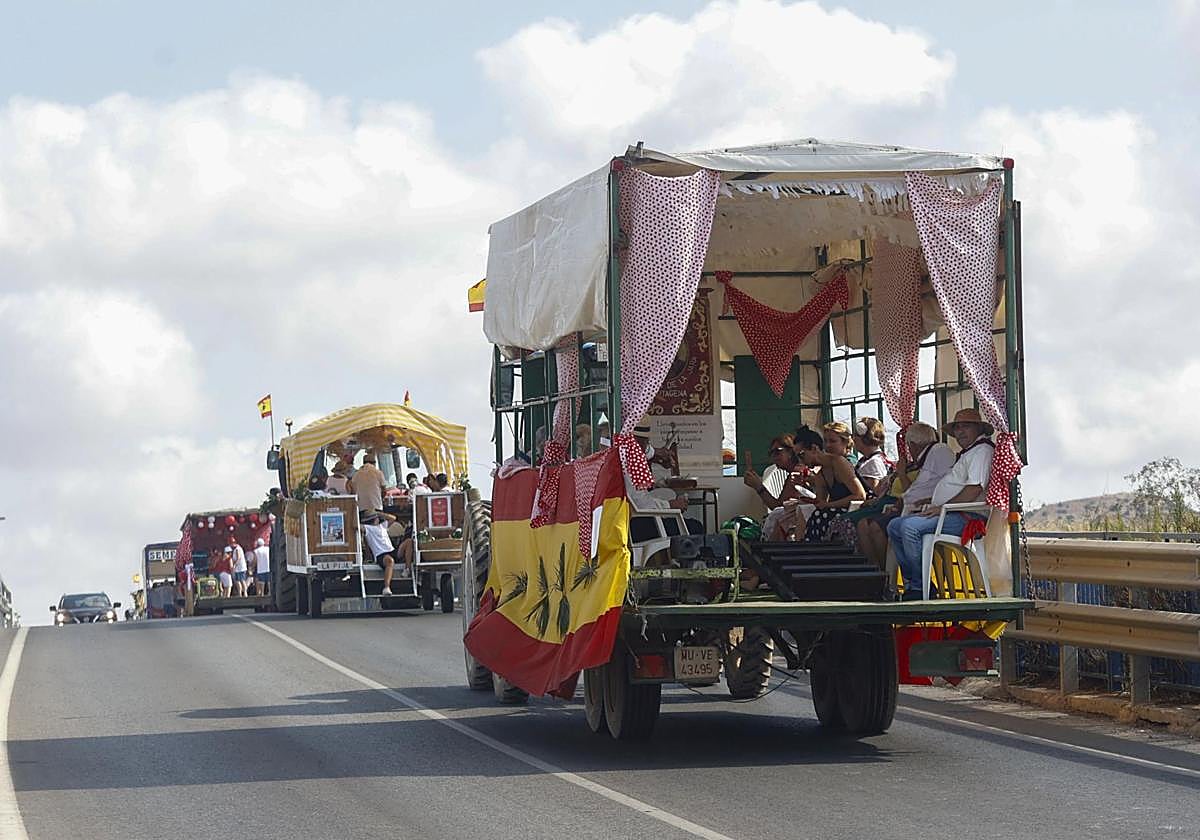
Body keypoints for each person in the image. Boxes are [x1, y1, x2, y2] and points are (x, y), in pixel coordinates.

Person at [887, 408, 995, 600]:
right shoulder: (968, 452)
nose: (960, 431)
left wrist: (941, 507)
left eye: (966, 426)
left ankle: (921, 588)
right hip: (951, 513)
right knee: (894, 526)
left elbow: (974, 489)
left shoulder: (982, 451)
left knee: (909, 528)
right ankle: (914, 582)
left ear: (978, 429)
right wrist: (932, 501)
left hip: (968, 517)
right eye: (958, 427)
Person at [854, 421, 956, 570]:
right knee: (864, 524)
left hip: (926, 508)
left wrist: (901, 477)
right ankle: (876, 570)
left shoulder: (936, 452)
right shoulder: (925, 458)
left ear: (913, 444)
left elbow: (921, 488)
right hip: (910, 504)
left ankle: (890, 575)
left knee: (879, 527)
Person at [627, 421, 701, 541]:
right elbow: (641, 504)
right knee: (695, 526)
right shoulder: (630, 464)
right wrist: (671, 505)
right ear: (637, 442)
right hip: (639, 526)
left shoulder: (630, 460)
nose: (647, 447)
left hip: (639, 521)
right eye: (646, 443)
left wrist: (657, 485)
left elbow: (639, 491)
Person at [796, 422, 866, 543]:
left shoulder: (839, 462)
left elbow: (860, 495)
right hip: (841, 509)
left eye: (801, 455)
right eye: (825, 441)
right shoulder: (820, 474)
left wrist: (828, 505)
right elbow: (821, 502)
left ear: (814, 449)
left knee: (819, 516)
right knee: (812, 513)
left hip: (858, 508)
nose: (828, 446)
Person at [851, 417, 891, 498]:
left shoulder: (873, 462)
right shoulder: (870, 459)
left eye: (856, 435)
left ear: (865, 437)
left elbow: (876, 492)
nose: (853, 439)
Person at [362, 512, 399, 596]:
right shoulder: (368, 528)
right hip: (381, 554)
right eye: (376, 517)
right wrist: (354, 507)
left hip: (392, 551)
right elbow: (355, 525)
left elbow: (393, 517)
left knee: (408, 543)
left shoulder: (382, 526)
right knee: (390, 561)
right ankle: (386, 587)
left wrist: (378, 512)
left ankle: (407, 569)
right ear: (375, 519)